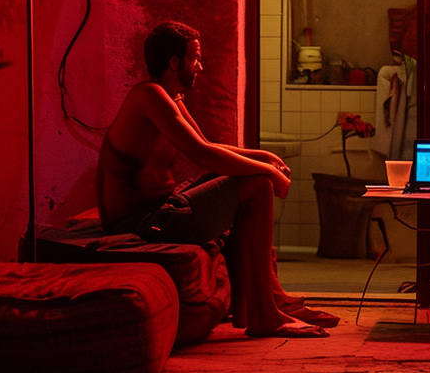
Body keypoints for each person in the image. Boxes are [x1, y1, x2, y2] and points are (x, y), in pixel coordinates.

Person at [97, 21, 336, 338]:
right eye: (195, 58)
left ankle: (269, 300)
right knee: (258, 186)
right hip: (141, 221)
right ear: (174, 62)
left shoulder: (172, 97)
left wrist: (262, 157)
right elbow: (202, 155)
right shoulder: (150, 96)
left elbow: (208, 145)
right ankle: (265, 313)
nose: (200, 66)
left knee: (248, 174)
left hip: (160, 209)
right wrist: (266, 172)